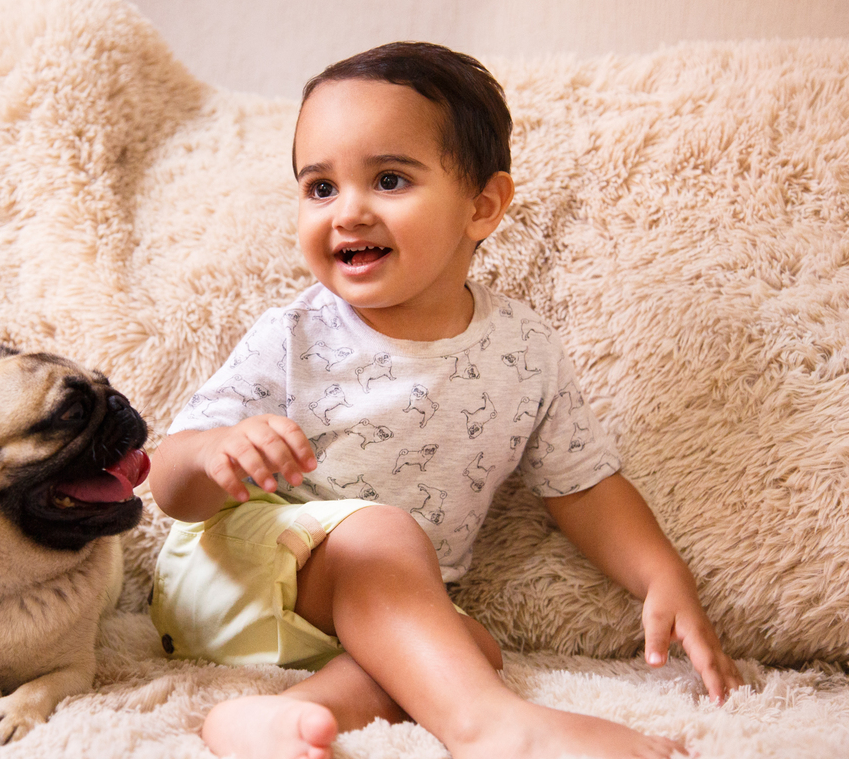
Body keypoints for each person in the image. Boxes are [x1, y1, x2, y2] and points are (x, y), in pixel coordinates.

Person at [148, 42, 743, 759]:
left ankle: (278, 718)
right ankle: (495, 729)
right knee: (382, 536)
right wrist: (215, 454)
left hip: (365, 617)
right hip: (234, 576)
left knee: (466, 646)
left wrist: (660, 574)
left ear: (482, 206)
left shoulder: (523, 349)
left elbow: (582, 484)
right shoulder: (297, 334)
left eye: (389, 179)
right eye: (320, 188)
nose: (348, 213)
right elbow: (170, 489)